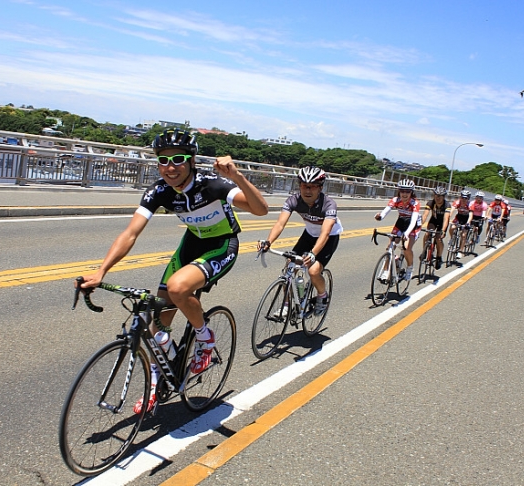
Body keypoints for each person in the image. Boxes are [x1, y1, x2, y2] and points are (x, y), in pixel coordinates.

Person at [78, 128, 268, 414]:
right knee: (157, 325)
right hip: (190, 245)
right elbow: (131, 233)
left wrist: (237, 177)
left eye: (178, 159)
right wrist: (102, 271)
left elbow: (261, 209)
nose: (170, 167)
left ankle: (205, 339)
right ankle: (158, 382)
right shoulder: (160, 191)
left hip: (221, 244)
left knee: (179, 288)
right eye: (163, 161)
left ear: (191, 161)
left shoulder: (213, 185)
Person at [258, 166, 342, 316]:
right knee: (290, 267)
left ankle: (322, 297)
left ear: (320, 188)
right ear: (299, 186)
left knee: (313, 270)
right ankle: (287, 304)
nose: (308, 191)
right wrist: (268, 242)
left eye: (313, 187)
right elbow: (280, 224)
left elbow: (325, 232)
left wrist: (313, 254)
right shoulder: (293, 200)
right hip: (309, 234)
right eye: (304, 186)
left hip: (329, 237)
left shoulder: (329, 204)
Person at [374, 179, 422, 281]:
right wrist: (380, 216)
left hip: (413, 225)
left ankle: (410, 268)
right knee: (390, 246)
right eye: (402, 191)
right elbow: (386, 211)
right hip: (401, 222)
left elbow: (413, 220)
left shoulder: (415, 203)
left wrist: (407, 233)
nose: (404, 194)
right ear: (399, 191)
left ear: (411, 192)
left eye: (407, 191)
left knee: (407, 247)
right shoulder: (395, 200)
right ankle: (386, 271)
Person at [420, 186, 451, 269]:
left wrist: (443, 231)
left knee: (438, 239)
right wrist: (420, 225)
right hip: (433, 221)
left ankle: (439, 257)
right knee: (427, 234)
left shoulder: (447, 205)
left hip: (442, 223)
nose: (437, 197)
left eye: (440, 196)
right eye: (436, 195)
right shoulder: (431, 203)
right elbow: (425, 215)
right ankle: (424, 252)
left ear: (443, 197)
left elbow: (446, 219)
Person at [449, 189, 473, 258]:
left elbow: (471, 215)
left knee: (463, 235)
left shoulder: (470, 204)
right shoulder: (457, 202)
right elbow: (452, 210)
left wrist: (468, 223)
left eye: (466, 198)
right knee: (452, 228)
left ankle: (460, 251)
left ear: (468, 199)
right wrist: (448, 218)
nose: (464, 199)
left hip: (466, 219)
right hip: (459, 217)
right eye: (462, 197)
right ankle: (452, 239)